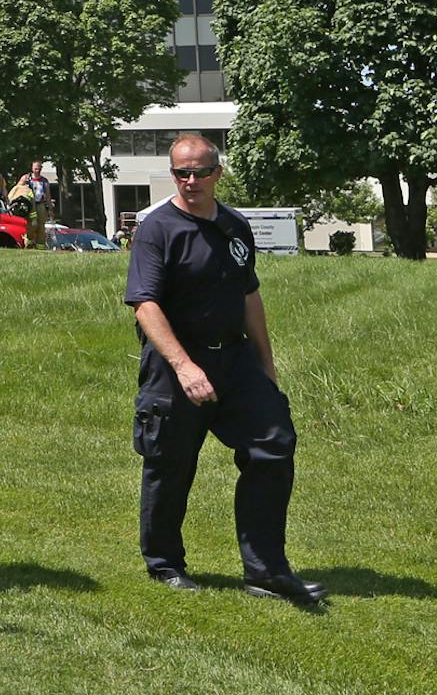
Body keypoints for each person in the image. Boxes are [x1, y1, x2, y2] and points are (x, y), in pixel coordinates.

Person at [124, 133, 325, 606]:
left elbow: (249, 296)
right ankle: (165, 565)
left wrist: (266, 370)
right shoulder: (157, 229)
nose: (191, 181)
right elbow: (145, 304)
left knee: (273, 444)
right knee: (170, 464)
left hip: (234, 359)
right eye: (181, 173)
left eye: (200, 172)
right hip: (176, 365)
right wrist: (184, 365)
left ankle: (266, 571)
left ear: (217, 172)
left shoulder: (235, 225)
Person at [10, 161, 50, 248]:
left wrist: (49, 208)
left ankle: (40, 245)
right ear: (32, 168)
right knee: (32, 224)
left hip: (41, 204)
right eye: (35, 168)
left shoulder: (44, 181)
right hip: (30, 205)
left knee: (41, 226)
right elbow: (18, 189)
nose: (37, 170)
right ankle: (29, 242)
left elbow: (48, 195)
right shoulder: (26, 178)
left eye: (39, 169)